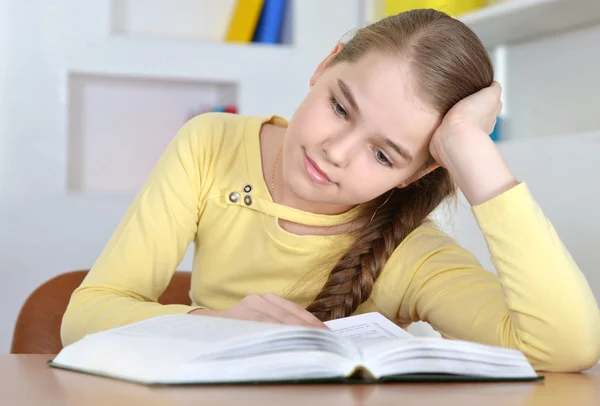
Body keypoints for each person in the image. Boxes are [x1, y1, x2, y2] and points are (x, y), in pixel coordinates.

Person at [61, 9, 599, 372]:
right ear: (323, 66)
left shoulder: (413, 253)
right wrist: (217, 325)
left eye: (384, 154)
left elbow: (566, 346)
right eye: (340, 107)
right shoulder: (210, 146)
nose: (336, 150)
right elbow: (86, 315)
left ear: (414, 175)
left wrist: (470, 150)